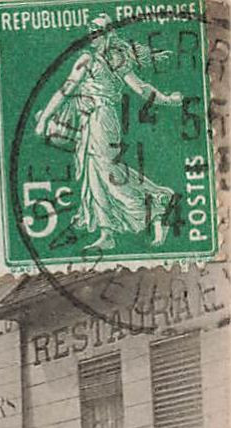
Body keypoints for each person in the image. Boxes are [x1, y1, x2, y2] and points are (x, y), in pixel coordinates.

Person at [32, 12, 185, 251]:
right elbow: (66, 90)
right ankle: (108, 232)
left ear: (108, 34)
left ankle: (156, 207)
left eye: (98, 31)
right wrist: (46, 119)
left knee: (106, 171)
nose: (93, 36)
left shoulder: (112, 59)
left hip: (102, 118)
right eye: (91, 31)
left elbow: (141, 88)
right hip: (90, 119)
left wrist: (167, 100)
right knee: (94, 173)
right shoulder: (91, 58)